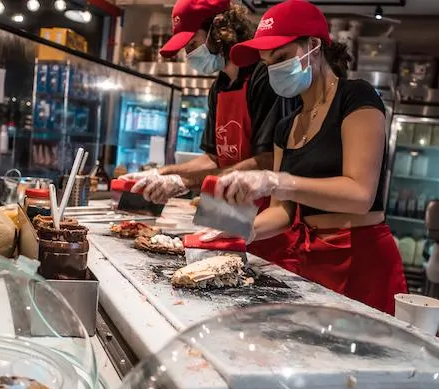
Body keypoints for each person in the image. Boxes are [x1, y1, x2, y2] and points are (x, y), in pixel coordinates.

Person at [211, 0, 406, 314]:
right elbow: (283, 213)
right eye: (267, 62)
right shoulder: (286, 127)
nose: (274, 69)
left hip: (362, 259)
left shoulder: (356, 97)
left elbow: (359, 195)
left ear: (314, 46)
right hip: (311, 261)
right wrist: (246, 231)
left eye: (282, 57)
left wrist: (276, 180)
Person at [122, 0, 300, 270]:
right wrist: (162, 173)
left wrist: (183, 180)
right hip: (227, 213)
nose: (188, 54)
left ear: (220, 31)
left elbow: (267, 161)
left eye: (192, 44)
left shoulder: (265, 77)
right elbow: (214, 158)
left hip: (266, 220)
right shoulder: (220, 85)